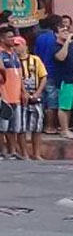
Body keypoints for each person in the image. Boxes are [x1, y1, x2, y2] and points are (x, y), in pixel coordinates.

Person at [16, 36, 47, 160]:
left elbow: (43, 76)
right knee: (21, 127)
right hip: (20, 98)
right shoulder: (13, 60)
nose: (16, 48)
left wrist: (38, 93)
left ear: (25, 46)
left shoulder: (35, 60)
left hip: (35, 96)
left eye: (18, 45)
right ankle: (24, 153)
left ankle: (37, 153)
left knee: (37, 127)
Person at [34, 15, 62, 135]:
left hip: (39, 72)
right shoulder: (54, 38)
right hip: (52, 71)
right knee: (52, 101)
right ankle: (50, 126)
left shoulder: (40, 37)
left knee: (42, 99)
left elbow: (36, 53)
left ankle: (41, 125)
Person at [54, 27, 73, 140]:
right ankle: (64, 130)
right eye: (63, 31)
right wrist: (67, 41)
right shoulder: (55, 47)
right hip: (64, 80)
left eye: (67, 31)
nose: (66, 33)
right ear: (56, 34)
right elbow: (61, 57)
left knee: (69, 106)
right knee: (64, 106)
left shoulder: (71, 46)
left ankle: (67, 128)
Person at [0, 27, 25, 159]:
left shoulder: (14, 54)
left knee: (14, 127)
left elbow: (19, 74)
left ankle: (13, 151)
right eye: (9, 37)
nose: (12, 39)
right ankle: (2, 151)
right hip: (4, 95)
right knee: (2, 126)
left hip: (16, 96)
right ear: (2, 39)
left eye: (12, 37)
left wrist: (23, 92)